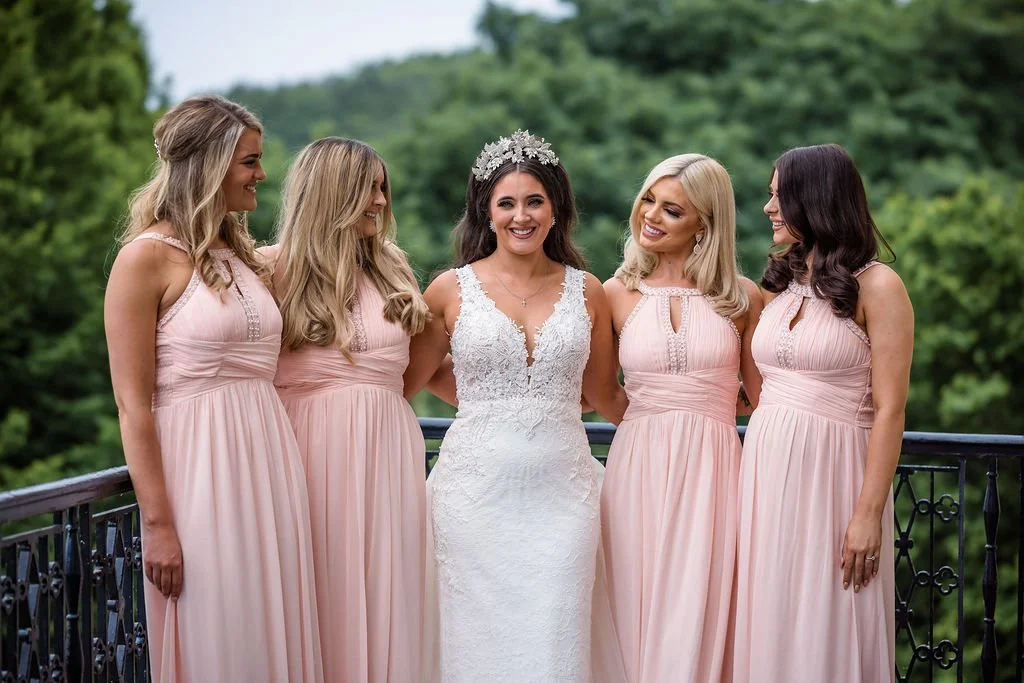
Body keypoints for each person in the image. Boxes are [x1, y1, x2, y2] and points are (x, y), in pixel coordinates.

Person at [103, 95, 322, 682]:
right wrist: (158, 524)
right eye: (250, 161)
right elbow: (131, 404)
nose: (262, 174)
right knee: (222, 634)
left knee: (270, 632)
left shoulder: (243, 257)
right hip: (199, 476)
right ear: (210, 164)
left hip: (270, 469)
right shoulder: (144, 260)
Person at [404, 130, 628, 682]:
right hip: (472, 498)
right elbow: (409, 378)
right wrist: (487, 404)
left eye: (534, 202)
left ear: (556, 210)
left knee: (557, 632)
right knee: (474, 642)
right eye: (506, 203)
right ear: (487, 211)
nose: (520, 216)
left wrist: (691, 414)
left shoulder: (588, 290)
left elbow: (604, 394)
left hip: (564, 498)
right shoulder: (449, 290)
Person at [732, 143, 913, 682]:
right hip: (765, 479)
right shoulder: (784, 283)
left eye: (778, 195)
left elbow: (891, 409)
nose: (768, 208)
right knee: (772, 618)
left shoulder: (879, 285)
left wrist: (866, 515)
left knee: (827, 617)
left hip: (835, 481)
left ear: (815, 199)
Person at [264, 137, 430, 683]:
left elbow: (416, 375)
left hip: (389, 453)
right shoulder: (270, 271)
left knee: (388, 590)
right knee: (319, 591)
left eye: (384, 188)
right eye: (368, 189)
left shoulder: (392, 268)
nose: (381, 201)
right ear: (331, 193)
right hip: (308, 453)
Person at [600, 153, 763, 682]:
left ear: (705, 225)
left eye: (672, 210)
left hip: (717, 472)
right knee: (631, 600)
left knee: (703, 600)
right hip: (636, 468)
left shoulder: (742, 298)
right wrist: (650, 416)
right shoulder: (614, 293)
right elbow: (599, 388)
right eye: (649, 199)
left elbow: (763, 398)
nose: (650, 215)